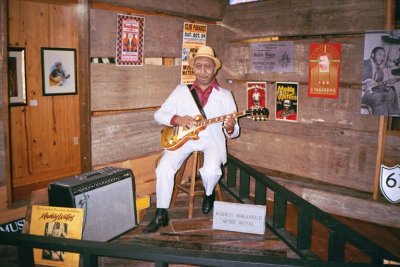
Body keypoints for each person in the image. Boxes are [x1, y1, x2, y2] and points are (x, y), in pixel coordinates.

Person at [143, 45, 240, 233]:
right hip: (184, 138)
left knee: (211, 170)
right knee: (163, 168)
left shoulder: (226, 95)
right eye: (199, 66)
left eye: (208, 66)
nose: (203, 71)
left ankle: (209, 193)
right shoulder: (181, 91)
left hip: (212, 139)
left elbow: (235, 130)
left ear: (215, 69)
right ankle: (161, 213)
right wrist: (177, 119)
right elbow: (159, 115)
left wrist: (229, 127)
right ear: (193, 68)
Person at [361, 46, 400, 116]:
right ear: (373, 54)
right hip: (363, 95)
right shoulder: (363, 63)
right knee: (378, 96)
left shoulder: (380, 72)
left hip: (373, 92)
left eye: (383, 56)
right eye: (379, 54)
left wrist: (386, 85)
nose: (382, 58)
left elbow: (377, 86)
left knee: (392, 92)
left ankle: (393, 115)